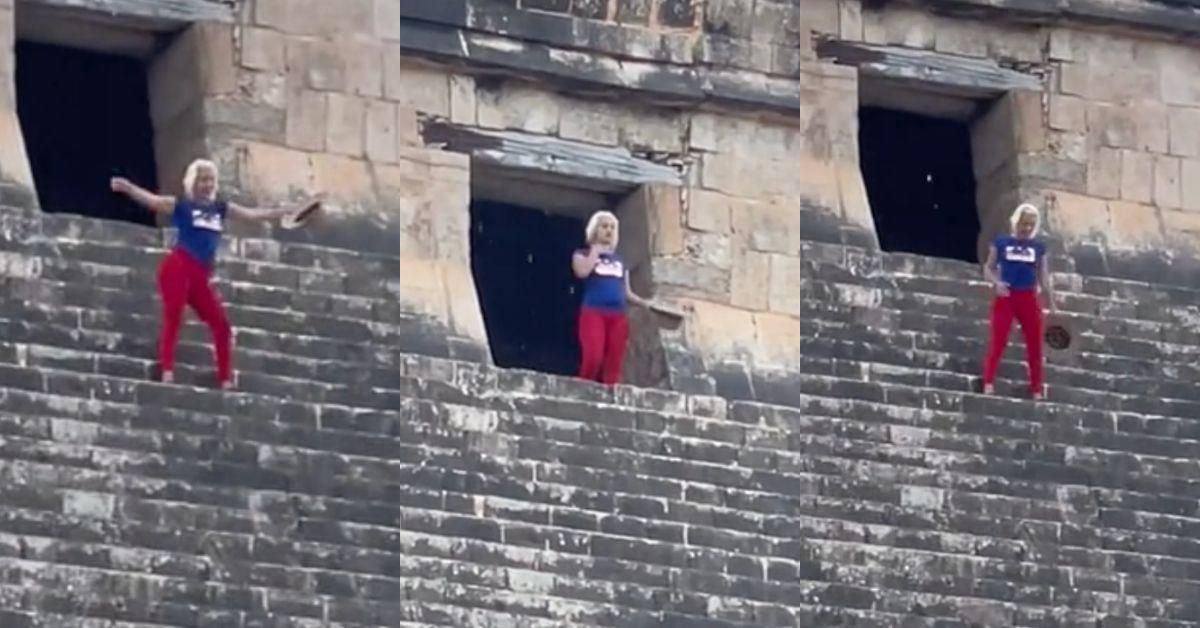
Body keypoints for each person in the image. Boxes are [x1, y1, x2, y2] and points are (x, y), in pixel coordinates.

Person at [111, 159, 320, 389]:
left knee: (222, 326)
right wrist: (128, 188)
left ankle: (225, 378)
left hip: (201, 274)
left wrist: (285, 210)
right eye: (203, 179)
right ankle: (167, 370)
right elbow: (153, 201)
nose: (208, 184)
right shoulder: (181, 205)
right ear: (193, 182)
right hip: (178, 267)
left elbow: (252, 215)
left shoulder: (221, 208)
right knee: (174, 318)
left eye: (211, 179)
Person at [981, 202, 1058, 400]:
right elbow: (988, 268)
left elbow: (1044, 276)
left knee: (1035, 344)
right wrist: (996, 283)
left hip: (1028, 297)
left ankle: (1036, 388)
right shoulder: (1002, 242)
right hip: (1007, 296)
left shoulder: (1038, 248)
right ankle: (988, 381)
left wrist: (1051, 301)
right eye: (1024, 224)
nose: (1027, 229)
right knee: (999, 339)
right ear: (1017, 222)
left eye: (1031, 225)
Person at [571, 210, 654, 386]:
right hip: (593, 312)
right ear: (595, 230)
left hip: (618, 315)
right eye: (604, 226)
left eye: (612, 227)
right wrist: (595, 252)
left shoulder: (620, 260)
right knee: (593, 357)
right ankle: (582, 387)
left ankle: (611, 396)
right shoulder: (581, 254)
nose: (608, 230)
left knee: (614, 362)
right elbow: (582, 272)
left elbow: (626, 292)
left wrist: (646, 303)